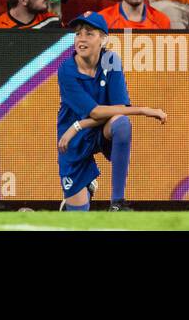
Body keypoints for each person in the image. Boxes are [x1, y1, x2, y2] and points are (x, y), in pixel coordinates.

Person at [56, 11, 168, 212]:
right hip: (74, 141)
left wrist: (79, 125)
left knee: (122, 124)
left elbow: (120, 108)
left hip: (96, 130)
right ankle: (84, 191)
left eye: (89, 33)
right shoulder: (66, 70)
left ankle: (117, 202)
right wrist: (143, 110)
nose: (81, 38)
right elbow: (96, 112)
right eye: (78, 33)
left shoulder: (111, 60)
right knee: (78, 219)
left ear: (103, 38)